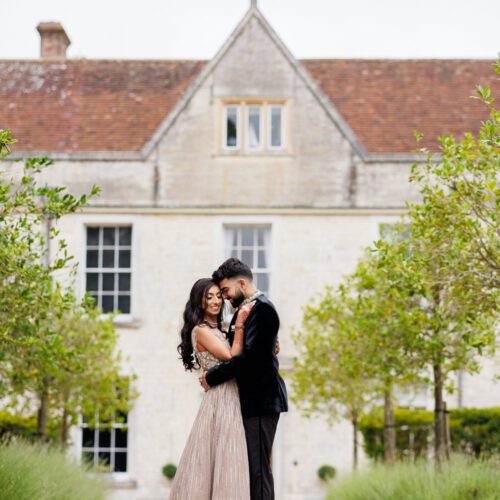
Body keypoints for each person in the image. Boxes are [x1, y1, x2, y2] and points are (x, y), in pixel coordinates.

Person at [200, 258, 288, 500]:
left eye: (226, 290)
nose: (224, 297)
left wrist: (212, 376)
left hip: (261, 400)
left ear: (241, 283)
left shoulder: (263, 309)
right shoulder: (246, 309)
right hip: (248, 400)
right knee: (248, 469)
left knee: (258, 469)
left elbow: (250, 359)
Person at [170, 278, 254, 500]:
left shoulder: (220, 329)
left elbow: (241, 353)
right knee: (221, 457)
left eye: (218, 295)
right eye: (209, 297)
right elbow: (230, 357)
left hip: (231, 396)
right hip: (221, 399)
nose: (216, 301)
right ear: (200, 301)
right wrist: (241, 323)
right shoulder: (201, 330)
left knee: (229, 459)